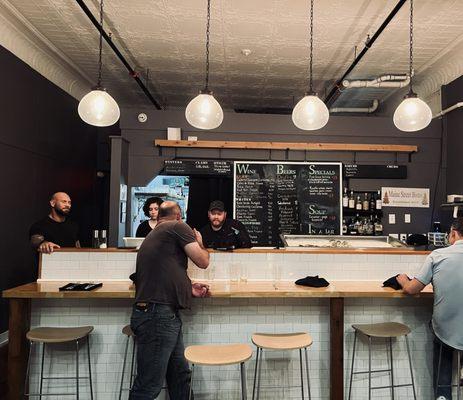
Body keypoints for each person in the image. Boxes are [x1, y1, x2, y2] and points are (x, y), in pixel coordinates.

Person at [129, 201, 210, 400]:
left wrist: (187, 288)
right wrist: (199, 242)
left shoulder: (156, 233)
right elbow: (203, 261)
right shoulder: (177, 227)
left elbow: (162, 271)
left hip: (160, 313)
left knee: (179, 376)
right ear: (179, 215)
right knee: (148, 386)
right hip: (157, 315)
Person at [397, 218, 463, 400]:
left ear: (453, 234)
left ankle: (443, 396)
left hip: (446, 329)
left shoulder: (438, 255)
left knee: (442, 336)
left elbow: (412, 289)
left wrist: (403, 279)